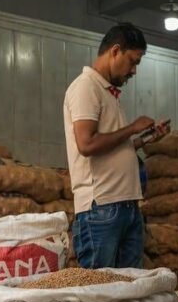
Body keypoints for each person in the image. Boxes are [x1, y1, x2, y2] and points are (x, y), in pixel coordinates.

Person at [63, 23, 169, 268]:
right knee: (100, 294)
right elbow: (86, 144)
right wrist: (132, 127)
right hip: (101, 207)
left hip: (125, 205)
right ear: (115, 51)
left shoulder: (108, 94)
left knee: (127, 292)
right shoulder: (86, 87)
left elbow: (112, 147)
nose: (133, 71)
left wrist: (144, 140)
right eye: (133, 62)